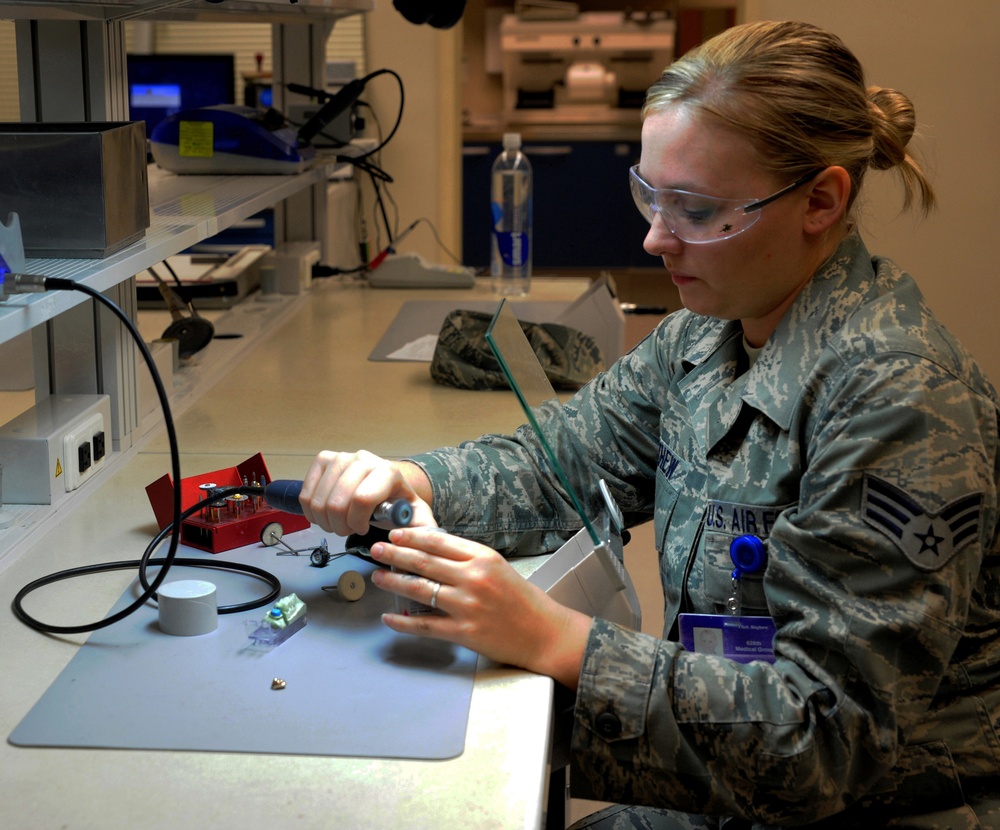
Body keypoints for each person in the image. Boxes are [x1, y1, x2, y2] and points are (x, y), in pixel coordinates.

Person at [299, 19, 1000, 829]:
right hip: (745, 784)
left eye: (697, 209)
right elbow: (562, 460)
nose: (655, 237)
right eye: (650, 195)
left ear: (821, 200)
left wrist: (554, 639)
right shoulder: (706, 332)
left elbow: (825, 740)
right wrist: (408, 479)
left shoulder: (898, 400)